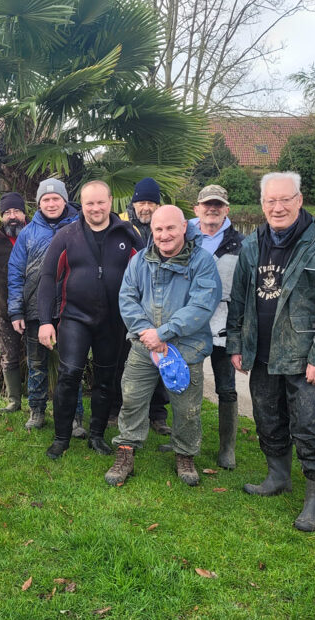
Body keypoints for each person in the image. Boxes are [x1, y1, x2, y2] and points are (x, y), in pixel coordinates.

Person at [226, 171, 315, 532]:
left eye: (285, 199)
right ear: (262, 204)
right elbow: (239, 300)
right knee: (269, 420)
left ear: (299, 200)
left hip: (305, 358)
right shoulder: (252, 244)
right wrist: (236, 344)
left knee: (312, 427)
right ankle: (277, 476)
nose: (277, 207)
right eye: (270, 201)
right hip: (263, 355)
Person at [105, 205, 221, 486]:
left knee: (187, 407)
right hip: (145, 346)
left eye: (170, 228)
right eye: (158, 229)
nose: (164, 235)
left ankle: (185, 454)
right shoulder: (140, 261)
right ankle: (126, 451)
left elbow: (202, 304)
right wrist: (147, 332)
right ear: (152, 231)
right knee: (131, 398)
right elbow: (128, 298)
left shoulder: (202, 261)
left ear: (184, 227)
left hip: (187, 347)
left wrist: (164, 333)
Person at [37, 180, 144, 459]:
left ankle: (96, 435)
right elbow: (48, 277)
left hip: (113, 320)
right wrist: (46, 320)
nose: (95, 208)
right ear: (81, 205)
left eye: (100, 202)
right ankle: (61, 438)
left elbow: (147, 273)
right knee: (70, 374)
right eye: (89, 203)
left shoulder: (127, 234)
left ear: (111, 202)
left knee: (106, 378)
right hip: (75, 317)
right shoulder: (66, 235)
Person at [7, 179, 85, 434]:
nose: (51, 204)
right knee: (37, 364)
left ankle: (75, 417)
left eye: (56, 199)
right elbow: (16, 271)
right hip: (34, 310)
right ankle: (37, 410)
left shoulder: (80, 226)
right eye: (45, 200)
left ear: (65, 200)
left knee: (72, 365)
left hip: (71, 309)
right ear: (39, 203)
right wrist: (16, 310)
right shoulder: (29, 232)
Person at [186, 184, 244, 469]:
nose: (212, 209)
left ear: (226, 210)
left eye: (218, 205)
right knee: (186, 385)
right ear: (196, 208)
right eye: (207, 204)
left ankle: (227, 448)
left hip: (224, 322)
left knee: (226, 388)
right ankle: (185, 441)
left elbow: (245, 291)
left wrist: (241, 329)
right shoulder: (183, 235)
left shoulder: (242, 243)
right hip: (189, 322)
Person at [116, 177, 171, 435]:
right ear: (133, 203)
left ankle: (158, 414)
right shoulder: (120, 224)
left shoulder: (165, 227)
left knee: (160, 360)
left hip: (158, 305)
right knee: (123, 362)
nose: (146, 207)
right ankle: (120, 409)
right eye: (141, 202)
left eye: (151, 202)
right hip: (126, 304)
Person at [0, 192, 27, 412]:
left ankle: (40, 401)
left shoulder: (34, 235)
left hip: (34, 309)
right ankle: (14, 401)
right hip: (4, 309)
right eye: (7, 212)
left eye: (16, 211)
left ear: (24, 213)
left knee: (39, 357)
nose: (12, 216)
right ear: (2, 216)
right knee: (9, 356)